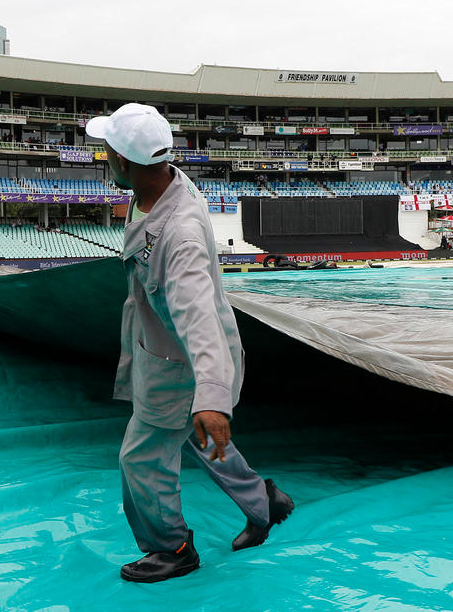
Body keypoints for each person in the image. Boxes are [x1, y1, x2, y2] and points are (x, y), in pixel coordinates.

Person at [89, 103, 293, 584]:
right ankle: (263, 502)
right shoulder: (160, 186)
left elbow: (197, 315)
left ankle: (172, 547)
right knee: (203, 441)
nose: (104, 159)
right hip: (166, 353)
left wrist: (212, 397)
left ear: (126, 160)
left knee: (141, 458)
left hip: (182, 365)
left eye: (108, 151)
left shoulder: (178, 237)